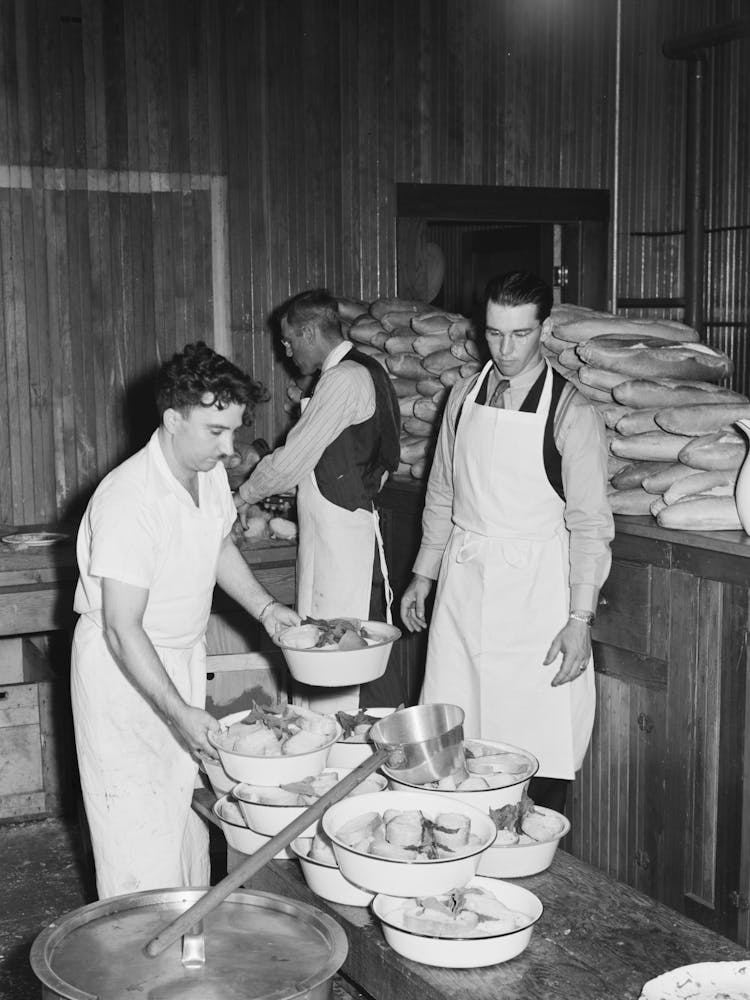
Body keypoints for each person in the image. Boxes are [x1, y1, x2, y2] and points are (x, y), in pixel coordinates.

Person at [71, 342, 300, 899]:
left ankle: (188, 966)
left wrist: (268, 610)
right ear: (173, 420)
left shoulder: (207, 472)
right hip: (123, 673)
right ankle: (137, 973)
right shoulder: (130, 499)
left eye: (234, 431)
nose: (229, 448)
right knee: (137, 838)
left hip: (180, 657)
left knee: (185, 828)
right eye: (215, 431)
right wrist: (179, 711)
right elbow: (123, 628)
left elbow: (216, 542)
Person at [400, 271, 614, 812]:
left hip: (535, 598)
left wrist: (580, 620)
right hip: (464, 584)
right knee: (455, 741)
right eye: (495, 333)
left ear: (543, 329)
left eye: (519, 334)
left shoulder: (573, 413)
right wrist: (423, 573)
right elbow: (443, 490)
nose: (506, 348)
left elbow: (591, 525)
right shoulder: (461, 396)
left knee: (532, 741)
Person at [235, 288, 403, 714]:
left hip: (346, 547)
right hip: (332, 536)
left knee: (354, 665)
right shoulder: (356, 372)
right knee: (330, 660)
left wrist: (242, 495)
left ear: (311, 331)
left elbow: (293, 460)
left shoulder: (344, 378)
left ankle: (367, 763)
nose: (286, 350)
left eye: (290, 339)